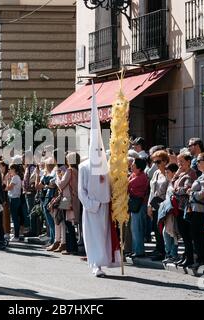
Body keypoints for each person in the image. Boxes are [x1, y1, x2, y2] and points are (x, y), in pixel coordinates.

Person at [79, 85, 120, 277]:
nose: (97, 152)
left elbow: (113, 184)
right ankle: (95, 264)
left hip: (105, 206)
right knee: (93, 236)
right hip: (92, 207)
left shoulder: (107, 166)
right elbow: (81, 191)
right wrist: (91, 204)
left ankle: (106, 261)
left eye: (99, 149)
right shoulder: (84, 167)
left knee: (104, 237)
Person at [186, 152, 204, 269]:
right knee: (196, 236)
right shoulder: (202, 175)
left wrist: (191, 193)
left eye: (199, 160)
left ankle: (203, 260)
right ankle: (200, 259)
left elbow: (203, 193)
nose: (197, 163)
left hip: (201, 210)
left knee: (200, 236)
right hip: (195, 209)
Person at [172, 153, 197, 268]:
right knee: (183, 233)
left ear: (188, 161)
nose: (179, 164)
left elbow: (186, 189)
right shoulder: (181, 173)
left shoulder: (191, 173)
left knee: (187, 234)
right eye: (178, 161)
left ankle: (190, 258)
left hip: (186, 207)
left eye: (181, 161)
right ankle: (186, 256)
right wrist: (176, 175)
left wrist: (176, 190)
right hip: (178, 207)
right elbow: (172, 184)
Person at [147, 150, 169, 261]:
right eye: (154, 162)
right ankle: (158, 248)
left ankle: (165, 251)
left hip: (164, 203)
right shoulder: (156, 173)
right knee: (156, 228)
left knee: (164, 229)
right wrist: (149, 206)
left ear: (165, 161)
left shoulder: (168, 172)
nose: (156, 164)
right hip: (155, 203)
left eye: (158, 161)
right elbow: (152, 191)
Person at [128, 158, 149, 258]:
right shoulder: (134, 175)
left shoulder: (141, 177)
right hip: (134, 204)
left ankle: (139, 251)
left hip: (139, 204)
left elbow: (127, 185)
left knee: (137, 228)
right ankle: (135, 250)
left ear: (139, 167)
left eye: (133, 165)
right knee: (134, 228)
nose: (131, 166)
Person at [6, 164, 23, 241]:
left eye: (10, 169)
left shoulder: (15, 177)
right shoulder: (15, 177)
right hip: (14, 198)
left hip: (14, 199)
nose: (9, 170)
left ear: (14, 169)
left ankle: (16, 236)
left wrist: (7, 180)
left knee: (15, 217)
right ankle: (16, 234)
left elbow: (8, 188)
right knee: (14, 217)